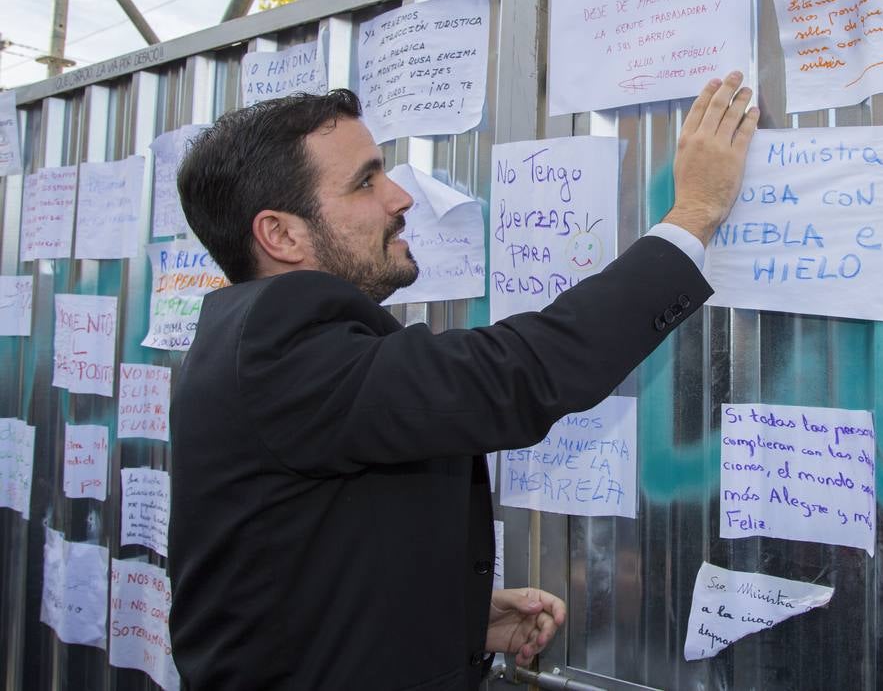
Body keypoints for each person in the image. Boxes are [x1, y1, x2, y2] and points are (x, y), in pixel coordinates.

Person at [167, 72, 758, 690]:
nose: (398, 197)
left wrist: (451, 623)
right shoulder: (276, 347)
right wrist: (693, 215)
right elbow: (512, 374)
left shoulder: (261, 348)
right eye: (364, 181)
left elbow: (299, 572)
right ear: (281, 234)